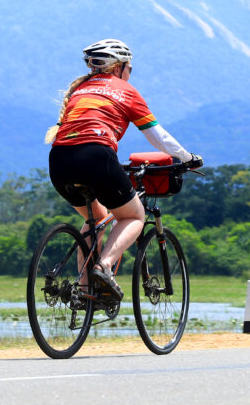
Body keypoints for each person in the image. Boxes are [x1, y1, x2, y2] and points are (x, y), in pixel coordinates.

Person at [45, 38, 199, 301]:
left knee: (95, 219)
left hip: (58, 160)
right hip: (96, 155)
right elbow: (157, 137)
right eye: (130, 69)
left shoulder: (79, 91)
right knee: (133, 217)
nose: (129, 74)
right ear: (119, 68)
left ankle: (84, 291)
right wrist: (187, 156)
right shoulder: (125, 90)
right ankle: (103, 268)